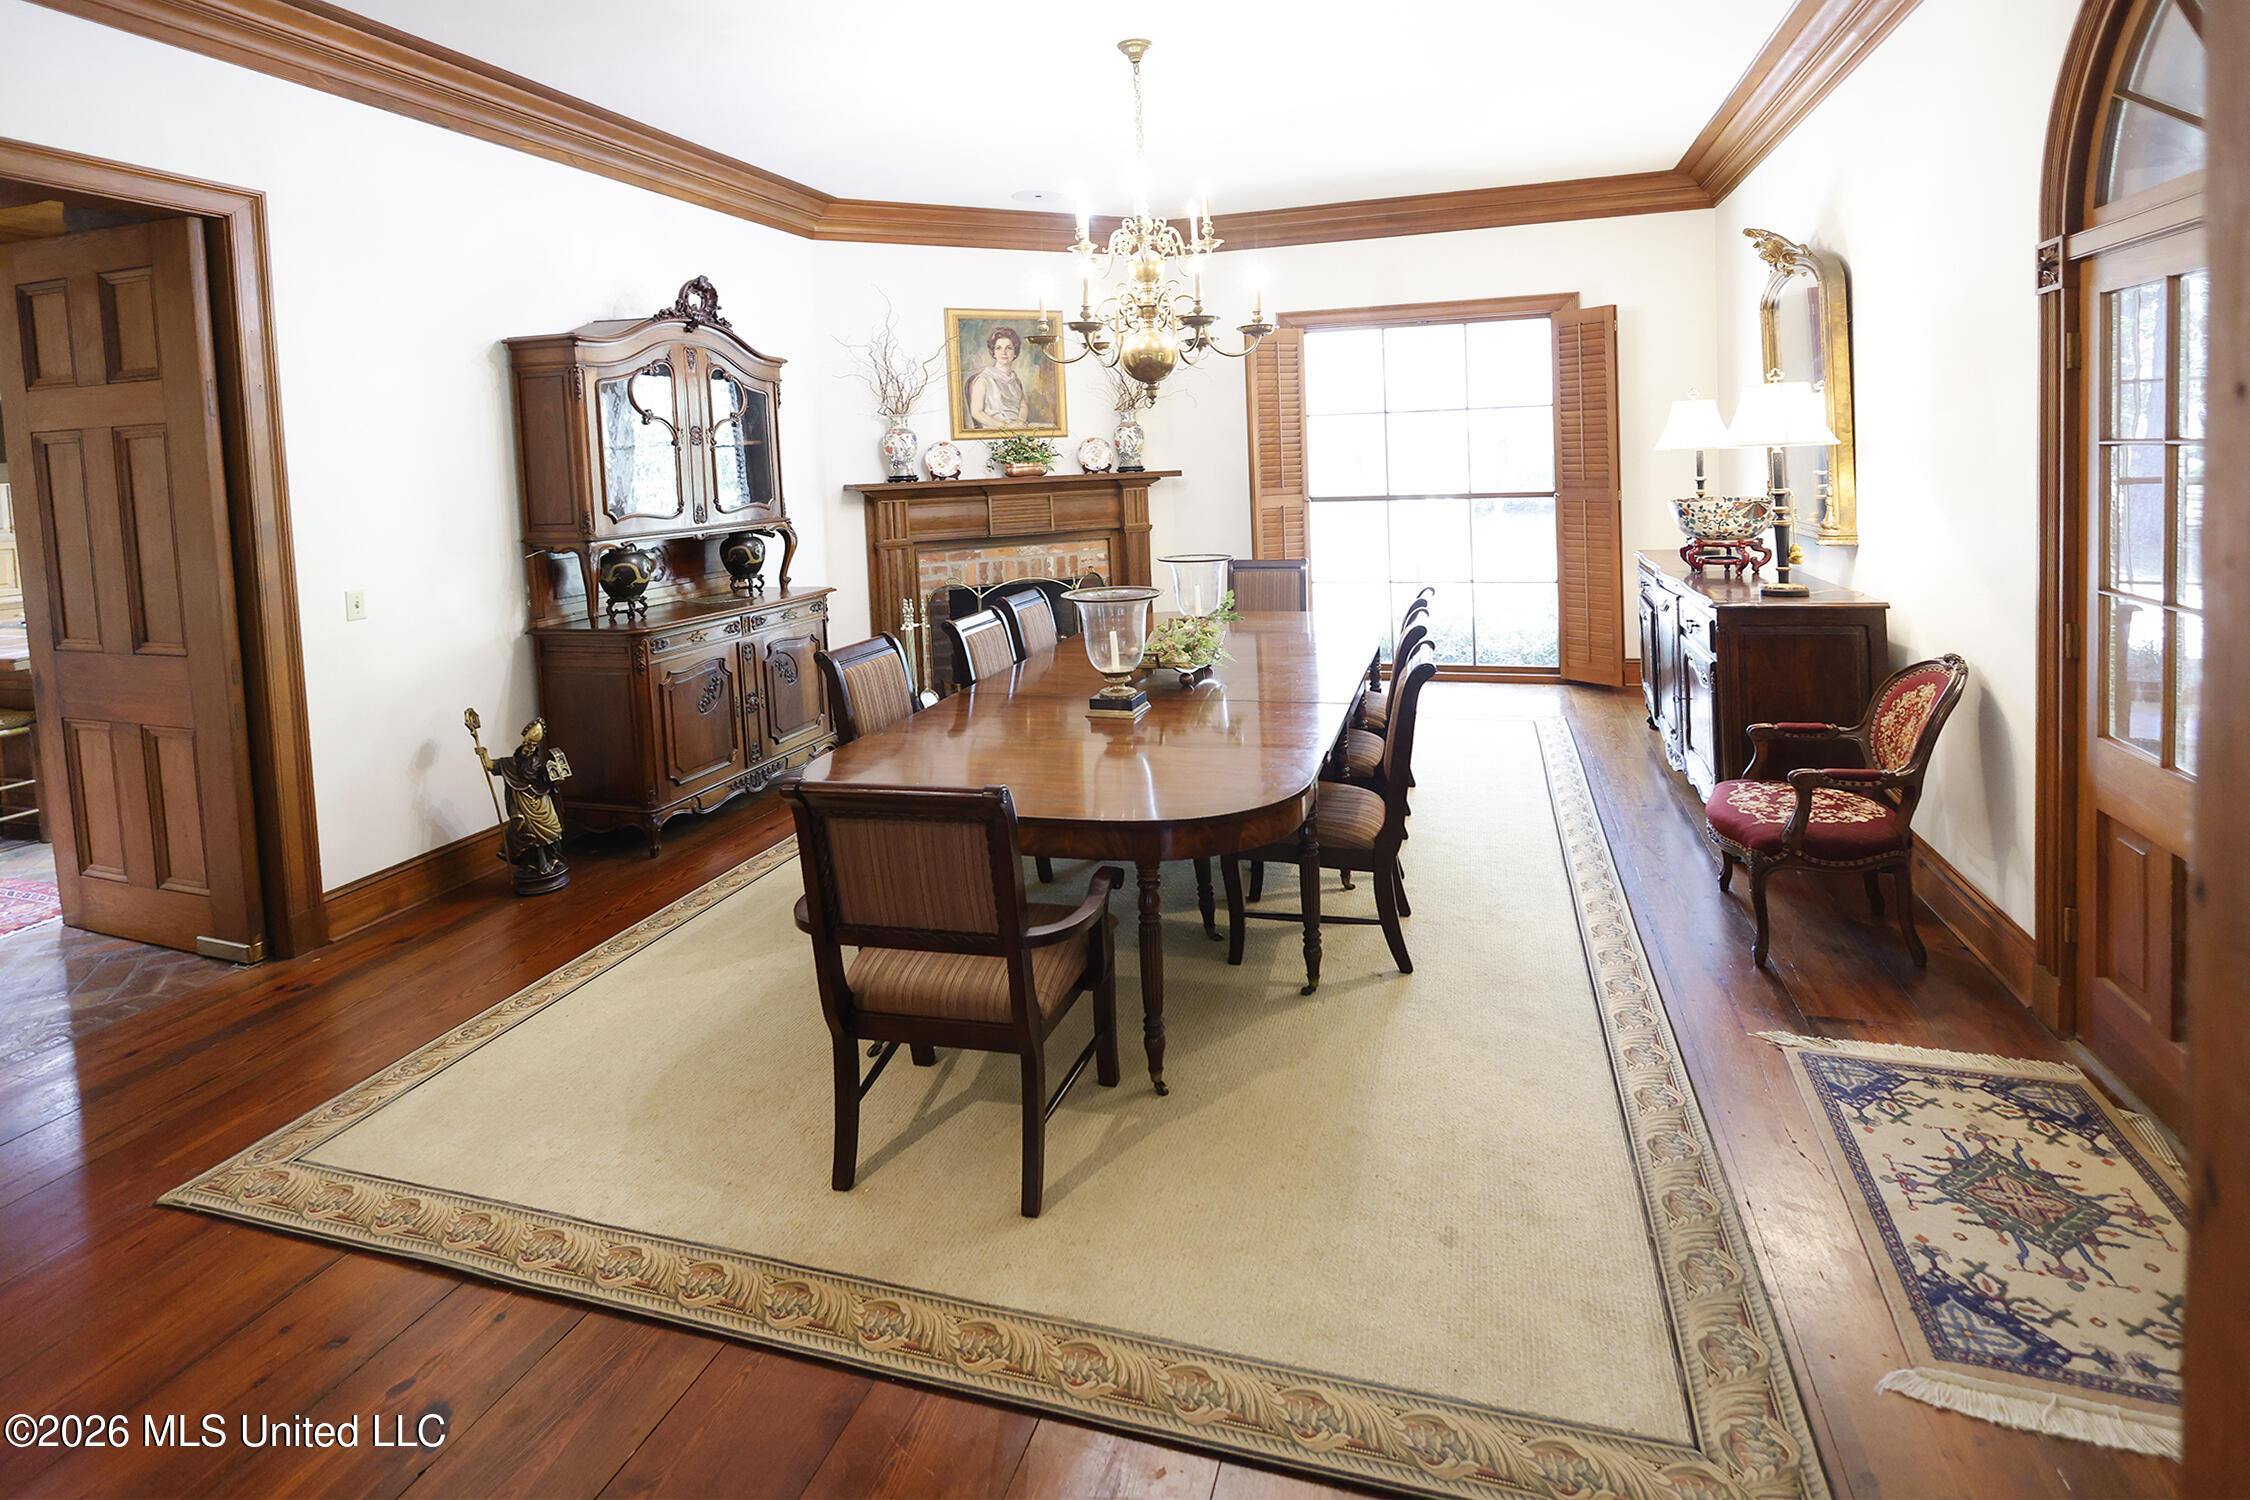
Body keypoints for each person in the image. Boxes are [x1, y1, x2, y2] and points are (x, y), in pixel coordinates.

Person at [964, 325, 1030, 429]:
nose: (1003, 352)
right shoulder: (983, 379)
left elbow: (1023, 405)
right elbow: (976, 412)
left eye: (1009, 348)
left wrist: (1020, 422)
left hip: (1017, 428)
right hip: (995, 429)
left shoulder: (1015, 381)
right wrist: (1006, 426)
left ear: (1015, 353)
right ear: (993, 353)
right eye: (998, 348)